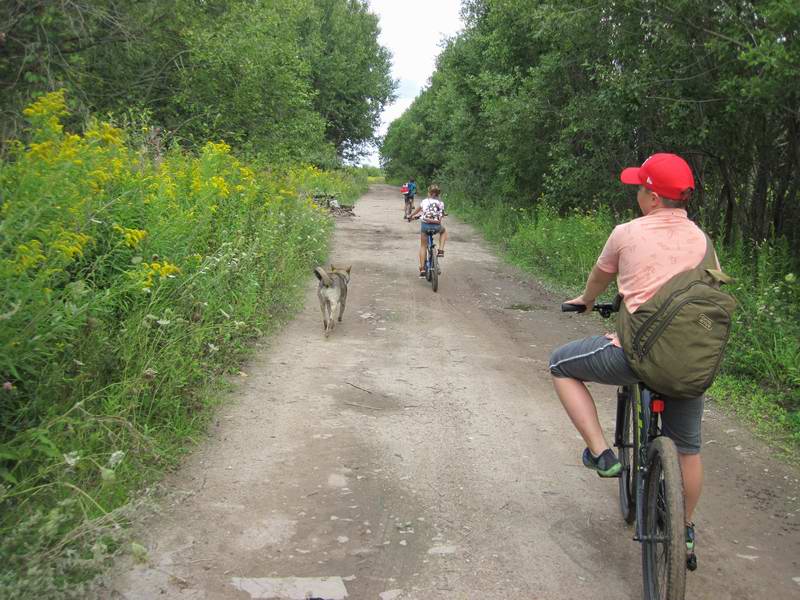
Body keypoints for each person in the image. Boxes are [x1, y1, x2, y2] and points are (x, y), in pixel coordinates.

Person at [548, 153, 716, 568]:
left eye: (641, 188)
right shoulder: (701, 239)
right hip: (690, 362)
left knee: (560, 365)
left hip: (635, 356)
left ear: (654, 196)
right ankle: (685, 529)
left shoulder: (626, 233)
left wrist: (586, 302)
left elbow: (600, 278)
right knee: (688, 450)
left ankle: (603, 453)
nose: (637, 194)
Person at [408, 184, 448, 277]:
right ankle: (441, 250)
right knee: (444, 231)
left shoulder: (424, 201)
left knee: (423, 246)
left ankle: (422, 268)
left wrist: (410, 216)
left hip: (425, 226)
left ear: (429, 192)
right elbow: (442, 213)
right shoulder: (441, 203)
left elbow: (417, 211)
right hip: (436, 226)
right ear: (438, 194)